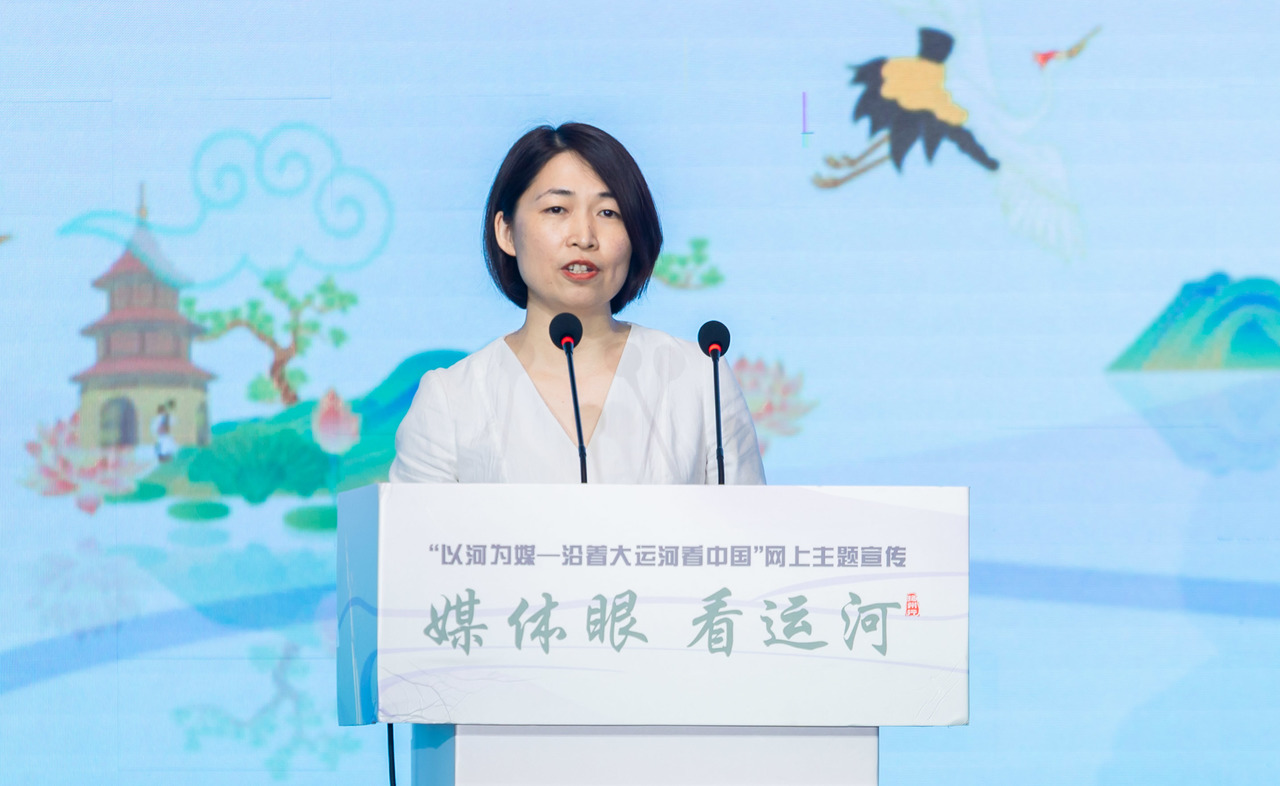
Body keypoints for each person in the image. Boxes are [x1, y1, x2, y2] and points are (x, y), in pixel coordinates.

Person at [390, 122, 764, 484]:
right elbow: (416, 529)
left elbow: (748, 525)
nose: (584, 237)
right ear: (506, 232)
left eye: (608, 213)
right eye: (557, 209)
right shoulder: (452, 400)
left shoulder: (699, 378)